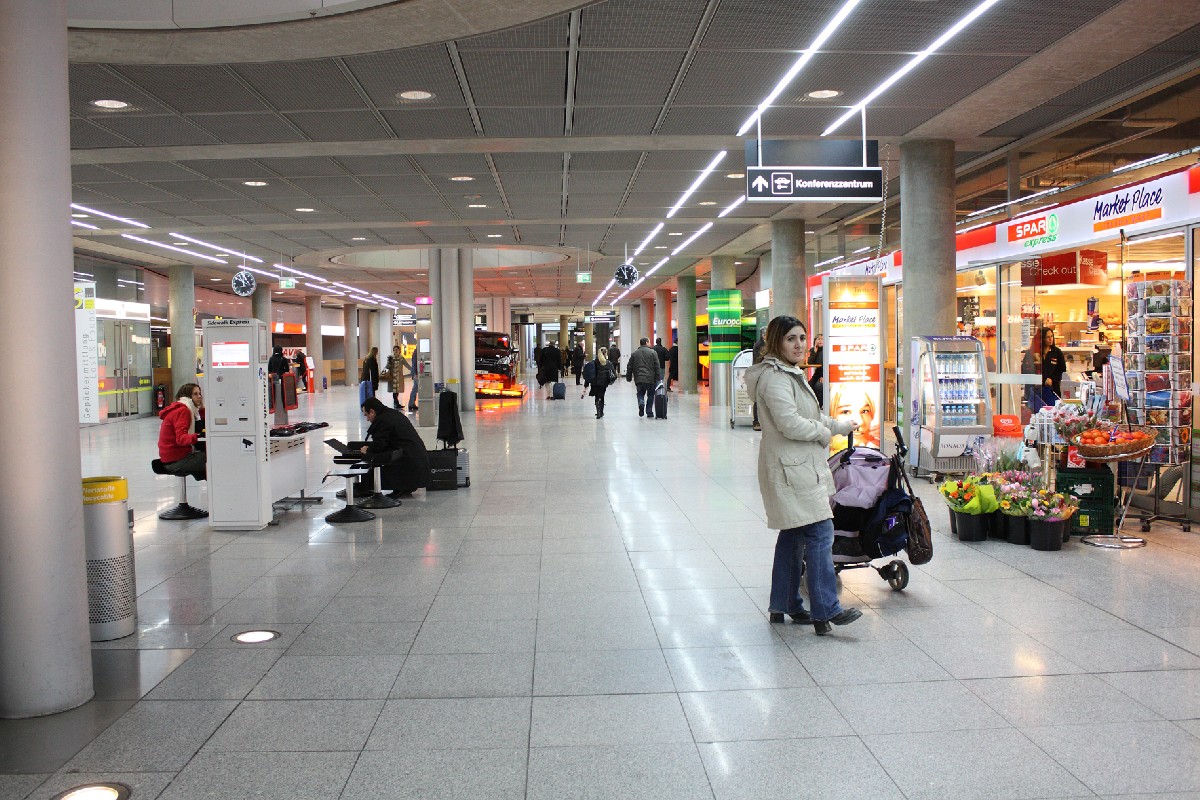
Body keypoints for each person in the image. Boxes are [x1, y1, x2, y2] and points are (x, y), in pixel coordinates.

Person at [743, 315, 862, 635]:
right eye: (790, 338)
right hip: (792, 469)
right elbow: (790, 423)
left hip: (794, 465)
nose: (799, 345)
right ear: (776, 342)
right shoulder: (775, 378)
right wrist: (825, 434)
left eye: (802, 337)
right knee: (821, 531)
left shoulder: (789, 373)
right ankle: (826, 609)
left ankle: (784, 603)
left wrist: (840, 425)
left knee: (794, 534)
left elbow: (810, 415)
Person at [354, 397, 430, 499]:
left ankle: (367, 486)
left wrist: (367, 450)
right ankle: (404, 486)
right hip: (415, 460)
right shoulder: (391, 414)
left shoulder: (382, 420)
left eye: (366, 415)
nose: (367, 419)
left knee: (370, 457)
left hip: (408, 461)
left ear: (372, 411)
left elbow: (379, 445)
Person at [157, 383, 206, 481]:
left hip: (170, 458)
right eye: (195, 394)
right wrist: (198, 435)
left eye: (199, 393)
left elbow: (201, 421)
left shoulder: (185, 408)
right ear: (188, 396)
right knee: (215, 457)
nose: (199, 396)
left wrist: (201, 408)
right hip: (176, 460)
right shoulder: (183, 411)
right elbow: (181, 439)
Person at [828, 385, 880, 450]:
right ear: (832, 414)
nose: (860, 422)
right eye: (846, 412)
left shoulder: (875, 446)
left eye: (865, 411)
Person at [625, 337, 662, 418]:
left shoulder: (635, 354)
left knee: (640, 393)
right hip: (651, 378)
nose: (650, 344)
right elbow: (657, 366)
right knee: (651, 395)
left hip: (639, 378)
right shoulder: (653, 352)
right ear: (646, 342)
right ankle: (649, 411)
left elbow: (629, 366)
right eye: (649, 342)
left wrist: (628, 377)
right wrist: (658, 378)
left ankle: (641, 402)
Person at [584, 346, 616, 418]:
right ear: (605, 353)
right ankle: (601, 412)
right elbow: (614, 374)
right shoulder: (608, 363)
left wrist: (586, 385)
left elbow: (589, 373)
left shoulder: (594, 362)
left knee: (597, 397)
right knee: (601, 396)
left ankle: (598, 412)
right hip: (603, 383)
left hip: (595, 383)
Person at [384, 344, 411, 410]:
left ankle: (396, 403)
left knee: (397, 390)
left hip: (399, 377)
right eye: (394, 350)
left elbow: (407, 365)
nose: (395, 351)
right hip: (392, 377)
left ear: (399, 351)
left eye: (396, 350)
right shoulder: (391, 358)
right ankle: (396, 403)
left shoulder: (401, 358)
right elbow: (387, 367)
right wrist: (389, 362)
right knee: (394, 391)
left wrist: (413, 370)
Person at [751, 330, 767, 431]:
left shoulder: (770, 344)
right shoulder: (759, 346)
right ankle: (756, 421)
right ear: (763, 335)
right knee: (758, 398)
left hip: (767, 373)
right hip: (759, 373)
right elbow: (758, 360)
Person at [807, 333, 825, 408]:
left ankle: (819, 406)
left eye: (822, 339)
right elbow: (810, 363)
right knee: (808, 386)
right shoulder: (813, 350)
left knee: (818, 386)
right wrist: (814, 350)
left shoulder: (827, 350)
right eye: (818, 339)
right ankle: (812, 405)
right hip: (817, 374)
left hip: (825, 373)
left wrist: (823, 376)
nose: (820, 341)